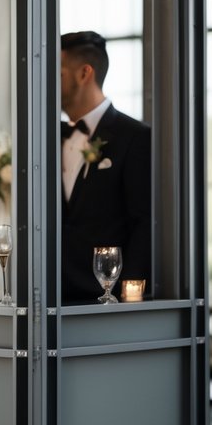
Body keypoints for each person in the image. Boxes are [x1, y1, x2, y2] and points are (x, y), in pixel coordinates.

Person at [60, 31, 151, 302]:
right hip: (53, 295)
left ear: (84, 73)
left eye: (57, 73)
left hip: (107, 299)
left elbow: (143, 223)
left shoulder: (134, 137)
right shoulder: (44, 139)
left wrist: (129, 297)